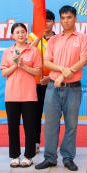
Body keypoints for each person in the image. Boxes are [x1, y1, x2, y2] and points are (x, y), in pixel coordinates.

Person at [35, 5, 87, 171]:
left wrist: (64, 75)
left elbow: (83, 61)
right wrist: (62, 71)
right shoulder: (53, 40)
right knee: (51, 123)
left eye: (69, 17)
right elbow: (47, 62)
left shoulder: (82, 38)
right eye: (63, 18)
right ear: (60, 20)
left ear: (75, 18)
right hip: (53, 88)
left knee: (71, 124)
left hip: (73, 88)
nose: (66, 21)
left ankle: (68, 157)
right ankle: (50, 157)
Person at [1, 23, 41, 167]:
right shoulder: (8, 52)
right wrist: (15, 65)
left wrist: (23, 66)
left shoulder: (33, 51)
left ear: (26, 34)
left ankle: (29, 156)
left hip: (29, 94)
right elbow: (4, 72)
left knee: (30, 127)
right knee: (13, 127)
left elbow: (37, 72)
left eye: (23, 32)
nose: (20, 34)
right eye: (17, 32)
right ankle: (15, 156)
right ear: (12, 35)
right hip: (11, 95)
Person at [29, 9, 56, 155]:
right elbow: (27, 52)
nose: (45, 24)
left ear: (53, 22)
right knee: (35, 115)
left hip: (53, 82)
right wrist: (38, 37)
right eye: (42, 21)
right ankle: (35, 142)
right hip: (35, 83)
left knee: (52, 116)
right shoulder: (32, 37)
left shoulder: (59, 39)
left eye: (49, 20)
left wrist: (50, 77)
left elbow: (60, 61)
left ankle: (52, 146)